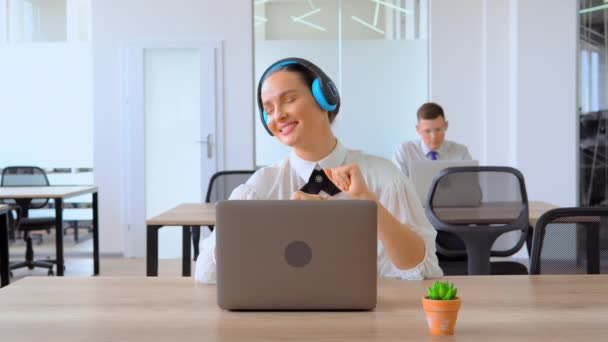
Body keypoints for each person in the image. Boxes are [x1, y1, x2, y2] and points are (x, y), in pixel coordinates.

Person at [195, 57, 442, 283]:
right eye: (268, 109)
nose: (278, 115)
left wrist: (370, 205)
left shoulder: (384, 177)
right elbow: (206, 273)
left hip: (368, 322)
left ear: (324, 98)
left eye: (289, 99)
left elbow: (424, 269)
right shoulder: (262, 185)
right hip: (285, 317)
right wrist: (278, 225)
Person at [393, 102, 472, 177]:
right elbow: (400, 188)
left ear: (446, 126)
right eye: (427, 131)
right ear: (418, 129)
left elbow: (471, 185)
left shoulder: (461, 152)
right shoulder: (404, 151)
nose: (434, 136)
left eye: (438, 130)